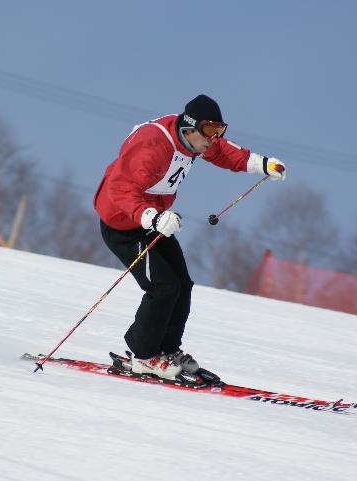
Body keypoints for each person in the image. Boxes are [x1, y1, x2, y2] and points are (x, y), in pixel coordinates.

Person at [93, 94, 286, 380]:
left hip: (153, 221)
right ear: (189, 127)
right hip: (122, 224)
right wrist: (152, 217)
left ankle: (167, 350)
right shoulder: (152, 144)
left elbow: (223, 153)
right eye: (209, 131)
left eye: (218, 131)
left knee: (182, 284)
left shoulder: (194, 141)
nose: (213, 139)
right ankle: (144, 356)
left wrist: (262, 164)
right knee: (163, 286)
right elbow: (120, 189)